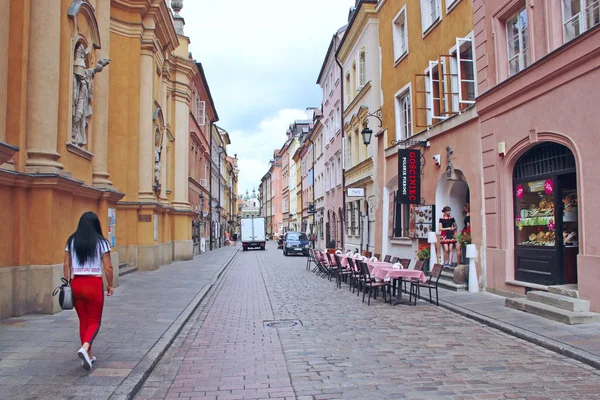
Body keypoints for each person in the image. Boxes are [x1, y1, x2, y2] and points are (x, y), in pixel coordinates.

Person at [63, 211, 114, 371]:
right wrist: (110, 285)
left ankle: (89, 355)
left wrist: (69, 282)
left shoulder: (71, 241)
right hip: (93, 283)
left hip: (77, 283)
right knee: (95, 321)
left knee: (83, 320)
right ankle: (85, 348)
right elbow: (108, 267)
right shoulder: (102, 242)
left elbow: (66, 266)